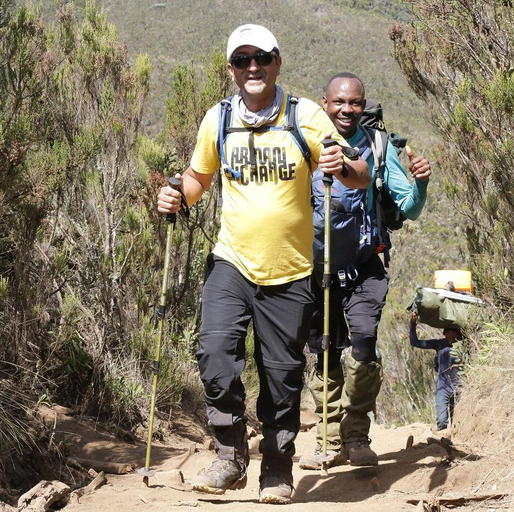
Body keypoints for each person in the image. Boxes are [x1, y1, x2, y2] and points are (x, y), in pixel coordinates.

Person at [157, 25, 370, 504]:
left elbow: (358, 175)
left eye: (262, 58)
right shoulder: (218, 119)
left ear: (277, 63)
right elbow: (198, 177)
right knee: (214, 353)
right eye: (242, 59)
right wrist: (176, 197)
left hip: (291, 270)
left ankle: (276, 470)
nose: (253, 67)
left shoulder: (306, 116)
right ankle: (229, 455)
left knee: (281, 375)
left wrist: (342, 168)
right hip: (231, 262)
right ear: (231, 69)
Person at [299, 72, 432, 470]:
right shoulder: (305, 143)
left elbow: (408, 207)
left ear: (363, 105)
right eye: (339, 102)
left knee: (363, 347)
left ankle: (355, 437)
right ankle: (327, 442)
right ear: (325, 103)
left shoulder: (378, 145)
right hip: (313, 269)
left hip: (364, 266)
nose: (346, 110)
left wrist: (420, 184)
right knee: (324, 355)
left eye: (354, 103)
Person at [409, 311, 464, 430]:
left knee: (458, 423)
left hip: (459, 388)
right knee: (442, 421)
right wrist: (413, 324)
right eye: (448, 332)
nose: (450, 334)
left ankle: (453, 446)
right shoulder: (439, 344)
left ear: (458, 333)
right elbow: (415, 342)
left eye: (453, 332)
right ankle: (440, 445)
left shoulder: (465, 345)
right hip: (442, 388)